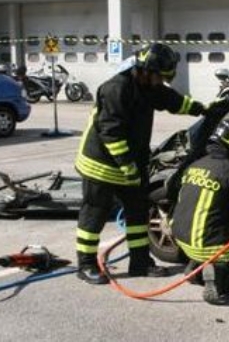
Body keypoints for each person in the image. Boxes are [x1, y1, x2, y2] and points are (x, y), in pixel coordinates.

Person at [74, 43, 208, 284]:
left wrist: (203, 109)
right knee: (94, 215)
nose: (161, 83)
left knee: (137, 214)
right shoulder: (116, 88)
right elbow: (111, 133)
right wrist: (128, 167)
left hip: (131, 165)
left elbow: (172, 100)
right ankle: (85, 265)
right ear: (146, 70)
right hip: (102, 164)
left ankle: (140, 263)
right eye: (160, 77)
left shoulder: (149, 86)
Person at [170, 119, 229, 305]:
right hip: (208, 243)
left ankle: (197, 266)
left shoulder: (193, 165)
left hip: (181, 239)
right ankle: (216, 277)